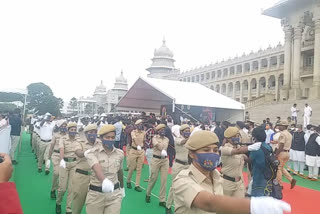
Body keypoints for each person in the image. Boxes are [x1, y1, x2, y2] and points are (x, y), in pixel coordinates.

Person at [172, 130, 291, 214]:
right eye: (206, 150)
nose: (212, 154)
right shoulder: (183, 179)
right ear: (192, 154)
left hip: (238, 182)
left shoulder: (216, 175)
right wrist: (252, 206)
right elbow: (209, 203)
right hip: (228, 181)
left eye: (214, 150)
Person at [85, 124, 124, 214]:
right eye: (107, 137)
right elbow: (96, 167)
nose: (110, 140)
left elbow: (120, 172)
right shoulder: (92, 153)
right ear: (101, 138)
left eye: (112, 137)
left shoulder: (120, 153)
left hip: (114, 195)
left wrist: (122, 188)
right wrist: (104, 180)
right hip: (96, 195)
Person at [220, 127, 261, 198]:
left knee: (239, 205)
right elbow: (237, 151)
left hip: (239, 182)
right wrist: (251, 147)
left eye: (238, 136)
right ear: (229, 138)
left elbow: (248, 159)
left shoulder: (239, 147)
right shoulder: (224, 149)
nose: (238, 138)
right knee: (225, 207)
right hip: (227, 183)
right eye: (235, 136)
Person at [56, 122, 83, 214]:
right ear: (68, 130)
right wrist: (62, 159)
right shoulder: (63, 138)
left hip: (74, 164)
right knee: (62, 187)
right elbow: (61, 149)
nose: (73, 131)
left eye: (75, 130)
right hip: (65, 163)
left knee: (72, 188)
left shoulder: (78, 139)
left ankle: (68, 208)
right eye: (71, 130)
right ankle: (58, 202)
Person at [72, 124, 98, 214]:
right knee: (78, 204)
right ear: (86, 133)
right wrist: (87, 152)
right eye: (91, 132)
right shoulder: (79, 142)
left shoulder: (100, 143)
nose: (93, 134)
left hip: (95, 178)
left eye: (95, 132)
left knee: (94, 206)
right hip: (82, 177)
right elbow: (78, 153)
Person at [166, 124, 191, 214]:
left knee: (187, 187)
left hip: (188, 166)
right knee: (174, 186)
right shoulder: (178, 139)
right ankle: (168, 206)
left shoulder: (190, 140)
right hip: (178, 165)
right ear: (181, 132)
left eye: (189, 131)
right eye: (186, 131)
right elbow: (182, 142)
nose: (188, 132)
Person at [145, 124, 169, 207]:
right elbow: (159, 146)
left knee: (164, 180)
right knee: (153, 178)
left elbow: (163, 146)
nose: (163, 131)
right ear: (158, 131)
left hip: (165, 160)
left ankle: (162, 200)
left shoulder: (167, 139)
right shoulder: (154, 138)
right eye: (161, 129)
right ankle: (148, 193)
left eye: (164, 129)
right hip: (156, 159)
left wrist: (161, 146)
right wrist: (161, 146)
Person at [249, 127, 273, 197]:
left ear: (254, 137)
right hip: (268, 174)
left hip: (258, 175)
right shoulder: (268, 147)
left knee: (257, 198)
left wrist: (243, 156)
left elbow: (250, 160)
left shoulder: (256, 148)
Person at [48, 120, 67, 199]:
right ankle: (53, 189)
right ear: (59, 127)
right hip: (56, 155)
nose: (63, 127)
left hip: (65, 156)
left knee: (62, 175)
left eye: (65, 126)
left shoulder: (68, 136)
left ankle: (59, 191)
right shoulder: (55, 135)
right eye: (62, 126)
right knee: (56, 173)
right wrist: (48, 159)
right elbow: (51, 147)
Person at [275, 121, 296, 189]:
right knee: (282, 167)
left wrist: (276, 154)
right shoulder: (289, 134)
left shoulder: (282, 134)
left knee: (278, 168)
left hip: (282, 152)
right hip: (287, 152)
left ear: (284, 126)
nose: (279, 127)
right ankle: (291, 179)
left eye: (280, 125)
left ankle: (279, 184)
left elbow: (281, 145)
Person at [127, 119, 145, 192]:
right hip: (134, 150)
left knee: (139, 169)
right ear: (137, 125)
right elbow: (134, 139)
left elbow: (144, 140)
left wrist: (142, 147)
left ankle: (137, 185)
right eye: (140, 124)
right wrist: (138, 145)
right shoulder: (133, 132)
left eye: (142, 124)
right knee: (132, 167)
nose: (141, 125)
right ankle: (128, 181)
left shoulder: (144, 132)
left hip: (141, 151)